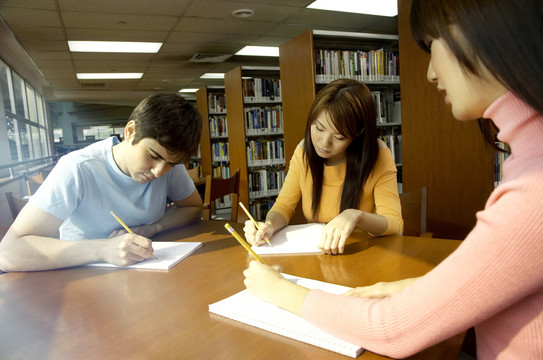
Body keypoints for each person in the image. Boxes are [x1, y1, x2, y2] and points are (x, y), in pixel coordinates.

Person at [243, 0, 543, 358]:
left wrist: (279, 291)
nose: (431, 73)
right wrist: (418, 286)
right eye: (319, 129)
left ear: (485, 37)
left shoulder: (532, 187)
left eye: (433, 45)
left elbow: (392, 328)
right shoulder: (525, 163)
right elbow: (498, 280)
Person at [0, 93, 203, 272]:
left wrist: (153, 228)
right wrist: (104, 249)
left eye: (171, 164)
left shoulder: (167, 166)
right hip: (83, 279)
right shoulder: (78, 167)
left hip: (147, 271)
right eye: (152, 155)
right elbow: (8, 253)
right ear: (131, 131)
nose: (159, 172)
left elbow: (194, 207)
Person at [244, 79, 403, 254]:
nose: (324, 143)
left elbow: (395, 223)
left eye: (340, 137)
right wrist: (268, 226)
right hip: (320, 254)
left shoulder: (377, 155)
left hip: (364, 253)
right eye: (319, 128)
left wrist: (356, 215)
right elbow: (284, 205)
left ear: (358, 135)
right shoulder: (304, 152)